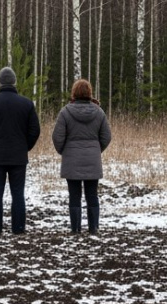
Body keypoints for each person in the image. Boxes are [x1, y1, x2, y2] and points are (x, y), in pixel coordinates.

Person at [0, 66, 41, 235]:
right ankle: (18, 229)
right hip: (18, 156)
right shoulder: (26, 104)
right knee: (18, 194)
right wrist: (25, 147)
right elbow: (35, 130)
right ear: (14, 82)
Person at [51, 78, 112, 235]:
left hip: (72, 159)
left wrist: (65, 151)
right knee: (92, 195)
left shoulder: (65, 112)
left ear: (74, 93)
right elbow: (106, 137)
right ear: (90, 93)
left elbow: (57, 137)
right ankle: (93, 228)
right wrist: (96, 150)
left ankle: (75, 229)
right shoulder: (99, 112)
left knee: (74, 196)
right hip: (92, 159)